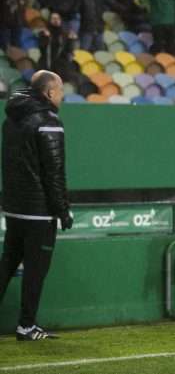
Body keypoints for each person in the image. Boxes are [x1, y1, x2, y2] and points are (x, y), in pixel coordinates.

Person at [0, 70, 73, 341]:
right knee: (36, 270)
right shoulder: (49, 121)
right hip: (38, 211)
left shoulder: (11, 119)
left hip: (14, 206)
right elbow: (53, 172)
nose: (62, 96)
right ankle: (26, 325)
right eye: (61, 90)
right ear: (49, 92)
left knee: (7, 264)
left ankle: (27, 325)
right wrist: (62, 210)